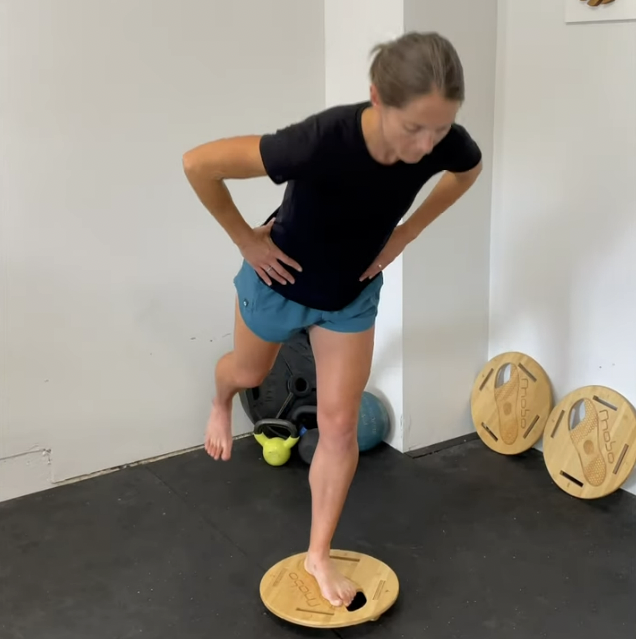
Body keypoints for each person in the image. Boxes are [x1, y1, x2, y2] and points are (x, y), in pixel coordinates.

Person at [182, 31, 483, 608]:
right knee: (246, 374)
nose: (426, 146)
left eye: (440, 129)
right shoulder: (319, 141)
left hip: (351, 291)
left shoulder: (445, 141)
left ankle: (318, 553)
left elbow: (466, 171)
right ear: (376, 97)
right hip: (280, 280)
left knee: (339, 424)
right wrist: (246, 240)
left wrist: (404, 236)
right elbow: (199, 164)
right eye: (413, 127)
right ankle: (220, 400)